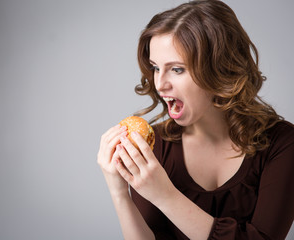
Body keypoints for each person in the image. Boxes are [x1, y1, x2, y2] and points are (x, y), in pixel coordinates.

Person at [97, 0, 294, 239]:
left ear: (221, 69)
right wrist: (118, 191)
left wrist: (165, 195)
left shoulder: (283, 143)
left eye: (177, 69)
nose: (160, 84)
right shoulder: (153, 146)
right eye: (156, 68)